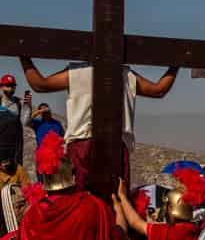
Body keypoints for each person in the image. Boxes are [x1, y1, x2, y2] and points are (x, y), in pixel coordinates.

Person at [19, 56, 179, 191]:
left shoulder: (77, 73)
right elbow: (159, 89)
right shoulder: (125, 74)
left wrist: (23, 55)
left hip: (83, 145)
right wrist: (176, 63)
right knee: (116, 202)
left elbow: (40, 84)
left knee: (81, 201)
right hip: (116, 146)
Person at [9, 131, 127, 240]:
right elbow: (117, 236)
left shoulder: (31, 216)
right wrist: (120, 208)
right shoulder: (93, 207)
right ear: (73, 176)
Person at [114, 168, 205, 240]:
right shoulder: (193, 229)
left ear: (172, 208)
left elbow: (135, 223)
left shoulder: (170, 232)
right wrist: (150, 221)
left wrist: (122, 196)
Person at [0, 75, 32, 165]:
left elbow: (24, 122)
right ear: (1, 87)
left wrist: (28, 107)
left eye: (12, 86)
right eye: (8, 86)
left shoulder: (19, 103)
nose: (10, 89)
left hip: (14, 148)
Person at [30, 103, 65, 182]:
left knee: (55, 179)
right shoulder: (37, 123)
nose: (46, 112)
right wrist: (39, 111)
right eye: (44, 111)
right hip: (42, 155)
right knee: (42, 179)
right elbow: (27, 120)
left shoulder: (57, 123)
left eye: (48, 110)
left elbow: (63, 137)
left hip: (55, 155)